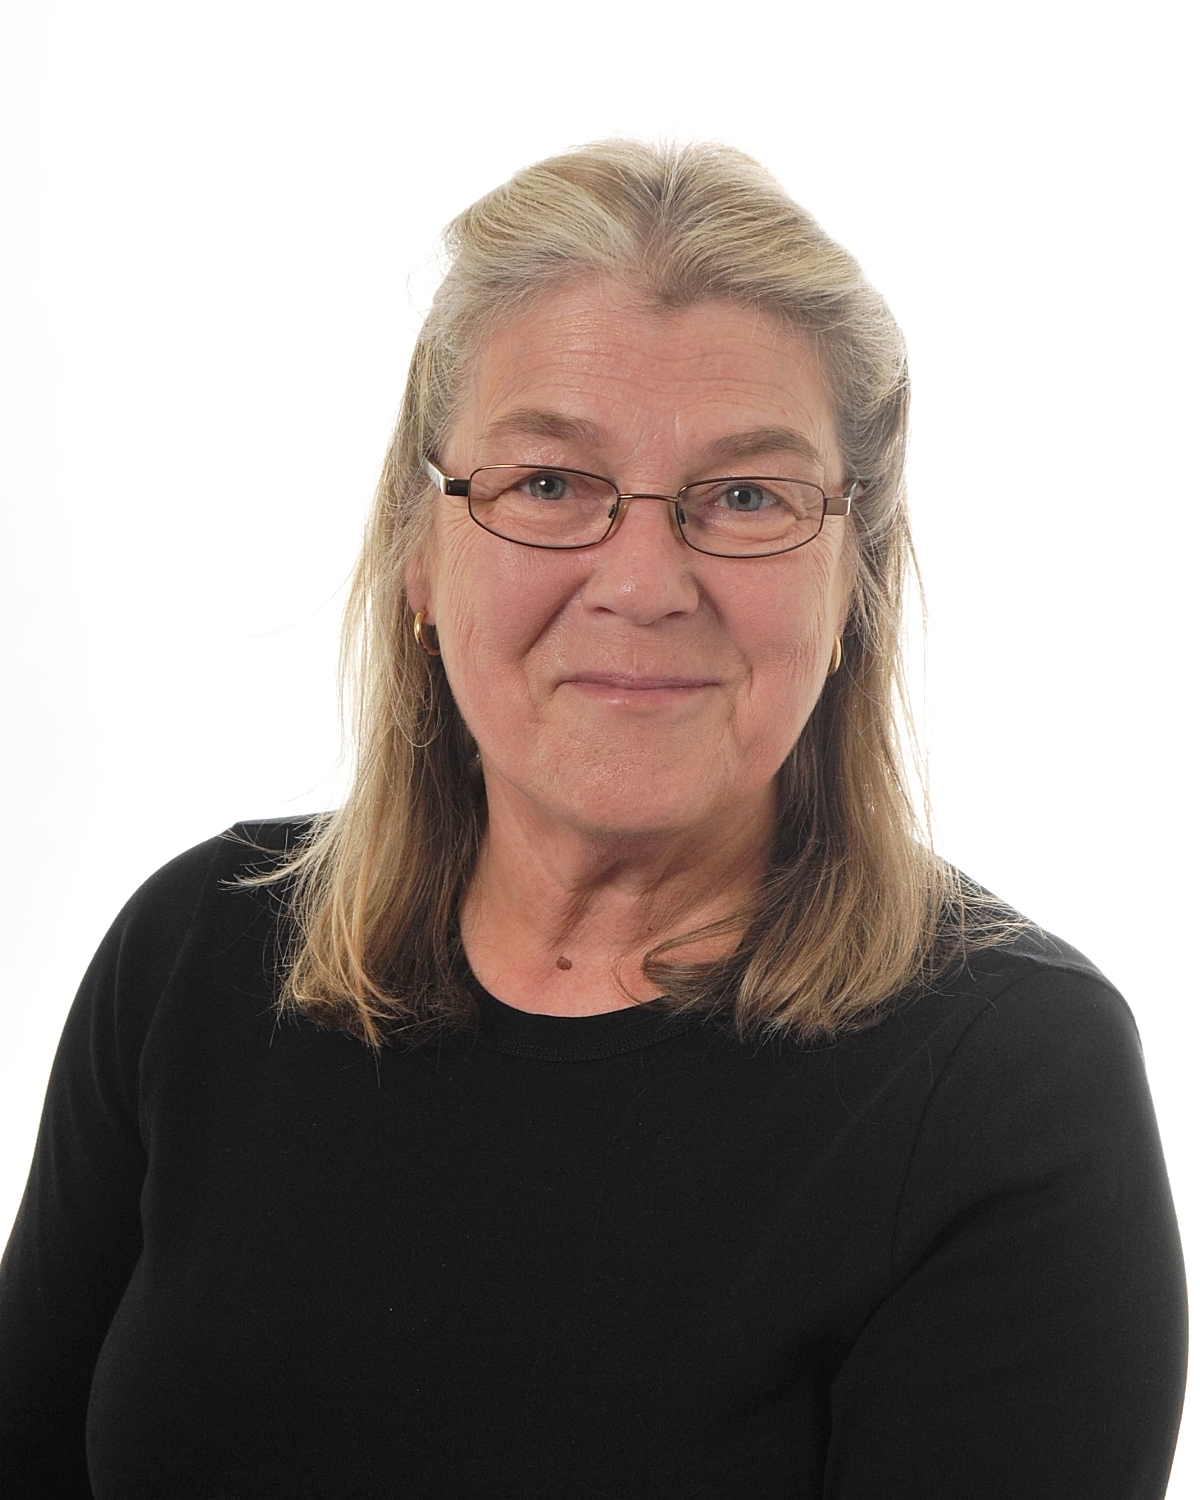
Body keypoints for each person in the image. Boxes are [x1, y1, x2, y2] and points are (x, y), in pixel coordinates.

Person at [0, 140, 1186, 1499]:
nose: (643, 583)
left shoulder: (1014, 1085)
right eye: (551, 484)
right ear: (420, 549)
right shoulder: (197, 954)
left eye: (747, 498)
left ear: (853, 578)